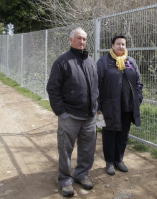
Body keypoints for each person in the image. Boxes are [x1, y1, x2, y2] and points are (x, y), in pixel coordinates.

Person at [46, 27, 99, 197]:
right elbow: (53, 89)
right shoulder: (62, 61)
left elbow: (96, 87)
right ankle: (66, 181)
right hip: (69, 116)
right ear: (71, 40)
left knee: (87, 149)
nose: (82, 41)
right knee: (65, 150)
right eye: (78, 38)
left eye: (84, 39)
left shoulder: (91, 61)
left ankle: (81, 175)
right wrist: (61, 112)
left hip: (89, 116)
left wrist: (96, 107)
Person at [96, 35, 143, 176]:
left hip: (128, 106)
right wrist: (98, 105)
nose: (121, 46)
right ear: (112, 45)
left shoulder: (131, 62)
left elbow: (139, 82)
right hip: (109, 106)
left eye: (123, 44)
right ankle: (109, 162)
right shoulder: (104, 62)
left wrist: (138, 98)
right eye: (118, 44)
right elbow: (96, 84)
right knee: (109, 134)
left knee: (123, 135)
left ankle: (119, 160)